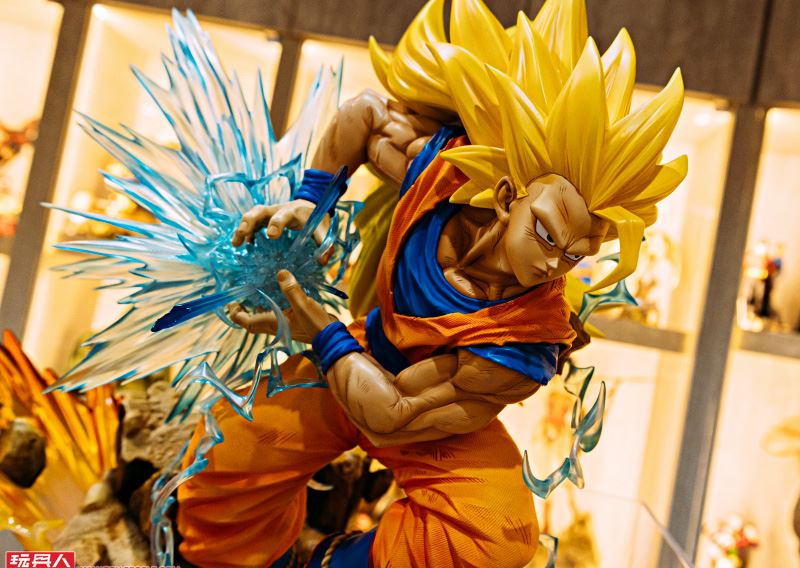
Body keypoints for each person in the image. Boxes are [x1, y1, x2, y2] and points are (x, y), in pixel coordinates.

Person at [176, 0, 687, 565]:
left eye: (575, 255)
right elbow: (365, 115)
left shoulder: (525, 343)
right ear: (506, 197)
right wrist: (311, 200)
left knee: (496, 536)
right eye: (546, 235)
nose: (553, 266)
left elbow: (391, 416)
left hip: (421, 418)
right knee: (221, 457)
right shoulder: (446, 174)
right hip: (359, 350)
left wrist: (319, 331)